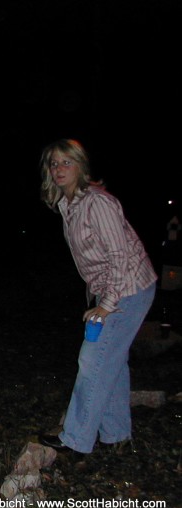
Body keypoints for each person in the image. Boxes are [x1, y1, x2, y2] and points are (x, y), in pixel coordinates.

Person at [37, 139, 157, 454]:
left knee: (92, 359)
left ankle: (75, 438)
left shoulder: (97, 202)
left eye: (66, 162)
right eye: (54, 163)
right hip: (113, 288)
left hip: (129, 288)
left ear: (81, 166)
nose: (59, 169)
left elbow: (119, 257)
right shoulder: (68, 205)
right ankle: (116, 435)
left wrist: (105, 306)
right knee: (111, 360)